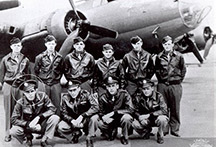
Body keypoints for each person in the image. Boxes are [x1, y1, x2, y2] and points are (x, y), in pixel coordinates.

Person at [10, 79, 60, 147]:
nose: (30, 94)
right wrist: (28, 124)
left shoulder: (43, 96)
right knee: (13, 131)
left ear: (36, 90)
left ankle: (44, 140)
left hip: (41, 124)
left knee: (55, 118)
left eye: (32, 91)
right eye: (27, 92)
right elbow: (13, 119)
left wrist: (40, 117)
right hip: (28, 126)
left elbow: (52, 109)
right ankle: (28, 138)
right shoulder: (20, 102)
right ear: (24, 93)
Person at [0, 37, 31, 142]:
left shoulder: (25, 59)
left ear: (21, 47)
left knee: (23, 109)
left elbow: (28, 74)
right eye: (15, 46)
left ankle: (22, 132)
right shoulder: (5, 59)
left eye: (19, 45)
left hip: (21, 87)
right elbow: (1, 74)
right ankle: (8, 133)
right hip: (8, 86)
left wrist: (27, 86)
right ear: (11, 47)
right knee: (9, 110)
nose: (17, 48)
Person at [155, 35, 186, 137]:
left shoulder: (179, 56)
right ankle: (164, 129)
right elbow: (157, 70)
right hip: (163, 85)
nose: (167, 46)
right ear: (163, 45)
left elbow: (183, 70)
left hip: (175, 85)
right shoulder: (159, 57)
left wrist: (177, 80)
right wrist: (162, 81)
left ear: (172, 45)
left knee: (175, 108)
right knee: (163, 107)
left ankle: (175, 129)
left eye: (169, 44)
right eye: (165, 44)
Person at [57, 80, 99, 147]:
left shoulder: (86, 94)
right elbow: (63, 113)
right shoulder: (65, 98)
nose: (73, 93)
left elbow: (96, 107)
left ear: (79, 88)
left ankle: (90, 137)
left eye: (74, 90)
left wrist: (83, 116)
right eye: (70, 91)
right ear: (67, 91)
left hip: (86, 119)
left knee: (95, 118)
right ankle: (74, 135)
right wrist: (71, 120)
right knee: (60, 126)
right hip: (74, 121)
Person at [97, 76, 133, 145]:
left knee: (127, 118)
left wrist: (115, 112)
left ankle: (124, 136)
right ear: (106, 87)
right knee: (100, 123)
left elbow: (131, 109)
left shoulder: (124, 94)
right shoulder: (103, 97)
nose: (111, 89)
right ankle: (110, 132)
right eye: (109, 86)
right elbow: (100, 111)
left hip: (121, 118)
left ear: (117, 86)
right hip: (110, 120)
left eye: (113, 86)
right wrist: (104, 117)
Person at [34, 35, 64, 115]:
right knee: (42, 105)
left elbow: (61, 69)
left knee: (56, 105)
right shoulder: (39, 57)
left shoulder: (60, 57)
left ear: (55, 45)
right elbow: (36, 71)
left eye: (53, 44)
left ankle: (56, 123)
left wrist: (57, 79)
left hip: (55, 83)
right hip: (44, 83)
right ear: (46, 44)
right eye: (49, 44)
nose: (51, 46)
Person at [132, 79, 168, 144]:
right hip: (145, 120)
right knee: (134, 123)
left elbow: (164, 110)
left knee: (162, 119)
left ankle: (160, 134)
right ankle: (146, 132)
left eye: (147, 89)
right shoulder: (138, 97)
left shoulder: (158, 96)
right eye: (144, 89)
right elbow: (134, 110)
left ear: (152, 88)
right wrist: (139, 117)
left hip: (156, 119)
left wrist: (149, 115)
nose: (146, 91)